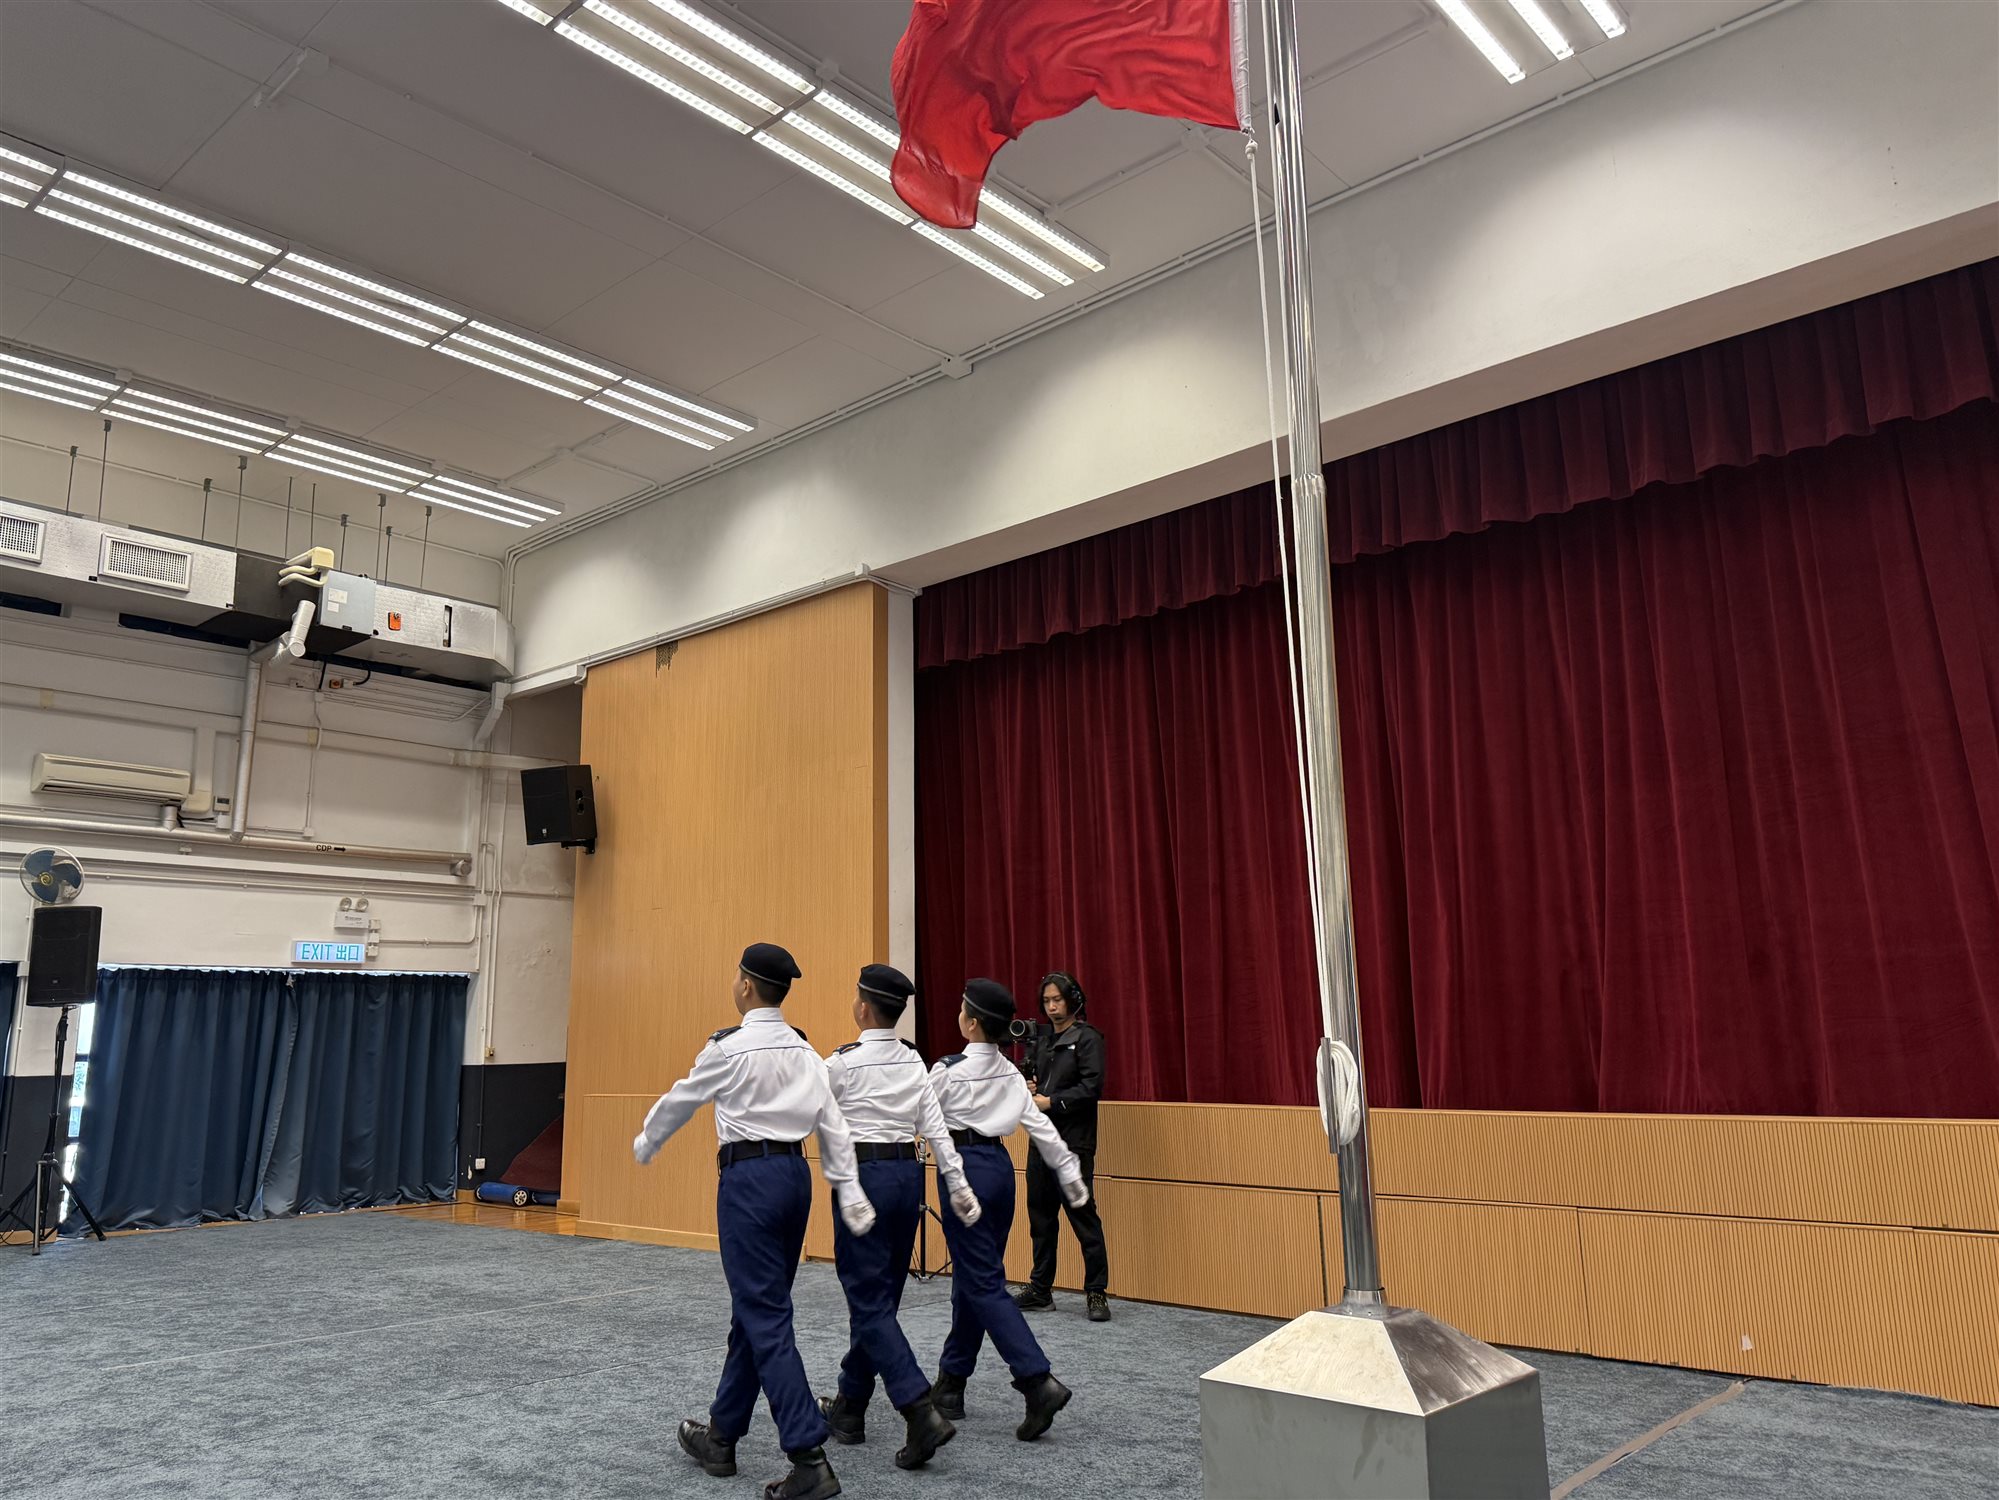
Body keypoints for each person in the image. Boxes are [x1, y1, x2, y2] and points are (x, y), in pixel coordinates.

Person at [632, 942, 874, 1500]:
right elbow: (831, 1122)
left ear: (745, 985)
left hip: (749, 1182)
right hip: (795, 1177)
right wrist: (848, 1185)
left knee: (764, 1314)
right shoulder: (806, 1051)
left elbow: (682, 1099)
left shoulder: (728, 1048)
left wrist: (648, 1139)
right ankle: (722, 1437)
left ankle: (808, 1457)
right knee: (758, 1307)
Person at [817, 964, 984, 1469]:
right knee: (882, 1296)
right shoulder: (914, 1059)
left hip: (863, 1176)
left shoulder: (842, 1063)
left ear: (863, 1008)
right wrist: (957, 1181)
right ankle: (851, 1404)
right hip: (907, 1175)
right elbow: (935, 1127)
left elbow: (805, 1111)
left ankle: (918, 1407)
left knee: (867, 1298)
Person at [926, 978, 1089, 1441]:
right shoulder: (1010, 1073)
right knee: (974, 1277)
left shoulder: (948, 1070)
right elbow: (1040, 1127)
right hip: (1000, 1170)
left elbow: (919, 1116)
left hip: (963, 1168)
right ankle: (952, 1382)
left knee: (982, 1282)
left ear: (971, 1023)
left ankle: (1037, 1380)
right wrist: (1069, 1172)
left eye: (962, 1009)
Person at [1013, 970, 1112, 1321]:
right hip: (1041, 1142)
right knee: (1040, 1219)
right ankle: (1041, 1289)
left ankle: (1096, 1291)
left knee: (1083, 1217)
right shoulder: (1041, 1041)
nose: (1052, 1007)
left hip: (1074, 1143)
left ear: (1073, 1000)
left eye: (1057, 999)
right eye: (1046, 1001)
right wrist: (1029, 1087)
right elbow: (1036, 1084)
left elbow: (1091, 1088)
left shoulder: (1088, 1038)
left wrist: (1051, 1101)